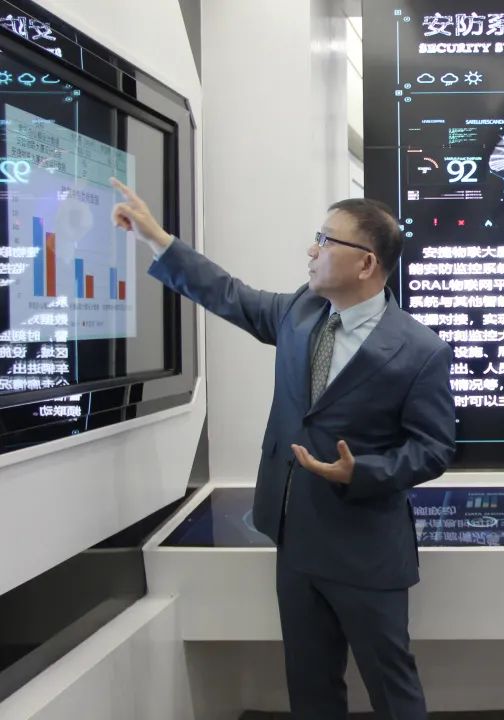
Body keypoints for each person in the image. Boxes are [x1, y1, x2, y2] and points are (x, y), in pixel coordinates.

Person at [111, 179, 455, 720]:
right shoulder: (301, 311)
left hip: (366, 551)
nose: (312, 250)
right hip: (296, 539)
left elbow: (433, 448)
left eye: (326, 240)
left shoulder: (420, 350)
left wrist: (360, 471)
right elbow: (228, 293)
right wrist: (157, 238)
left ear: (366, 263)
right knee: (310, 688)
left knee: (393, 690)